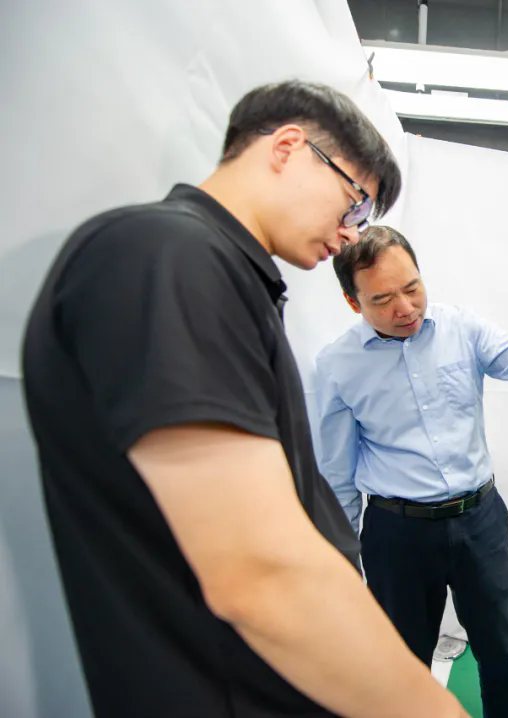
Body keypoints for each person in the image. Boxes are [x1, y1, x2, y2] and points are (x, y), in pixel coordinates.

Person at [21, 81, 468, 718]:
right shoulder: (169, 257)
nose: (349, 236)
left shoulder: (222, 275)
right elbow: (258, 571)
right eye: (354, 203)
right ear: (288, 147)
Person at [312, 226, 508, 718]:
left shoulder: (461, 328)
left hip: (480, 522)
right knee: (401, 666)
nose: (405, 308)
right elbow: (336, 475)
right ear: (353, 302)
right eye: (383, 299)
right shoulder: (335, 366)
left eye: (412, 288)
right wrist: (344, 563)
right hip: (396, 535)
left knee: (503, 655)